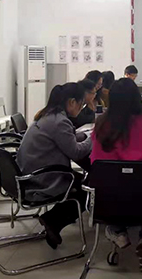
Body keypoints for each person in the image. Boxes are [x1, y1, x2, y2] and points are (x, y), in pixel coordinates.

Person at [91, 78, 142, 275]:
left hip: (108, 202)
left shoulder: (101, 125)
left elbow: (95, 162)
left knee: (116, 185)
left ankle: (117, 230)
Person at [17, 82, 93, 250]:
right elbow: (76, 152)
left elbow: (64, 138)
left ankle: (53, 219)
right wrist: (93, 139)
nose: (81, 108)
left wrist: (83, 136)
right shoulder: (60, 121)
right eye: (81, 104)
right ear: (72, 102)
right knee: (89, 188)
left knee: (86, 181)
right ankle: (53, 220)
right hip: (42, 178)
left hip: (29, 171)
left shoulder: (49, 115)